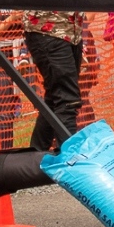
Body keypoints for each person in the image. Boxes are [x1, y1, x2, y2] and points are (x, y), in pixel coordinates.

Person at [17, 10, 85, 151]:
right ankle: (69, 163)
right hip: (47, 30)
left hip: (73, 31)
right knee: (67, 101)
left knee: (55, 100)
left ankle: (35, 157)